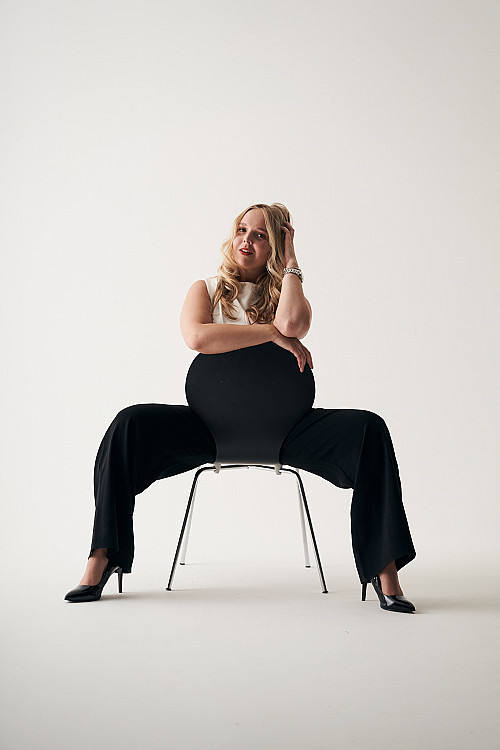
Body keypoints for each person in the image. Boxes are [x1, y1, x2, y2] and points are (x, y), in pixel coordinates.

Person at [65, 202, 416, 612]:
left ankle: (384, 570)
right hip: (209, 429)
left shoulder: (286, 293)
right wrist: (270, 333)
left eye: (261, 235)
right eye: (242, 230)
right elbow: (198, 338)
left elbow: (294, 325)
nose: (246, 240)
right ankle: (102, 558)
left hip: (286, 430)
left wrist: (292, 263)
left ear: (275, 247)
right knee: (129, 423)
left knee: (369, 429)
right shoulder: (207, 289)